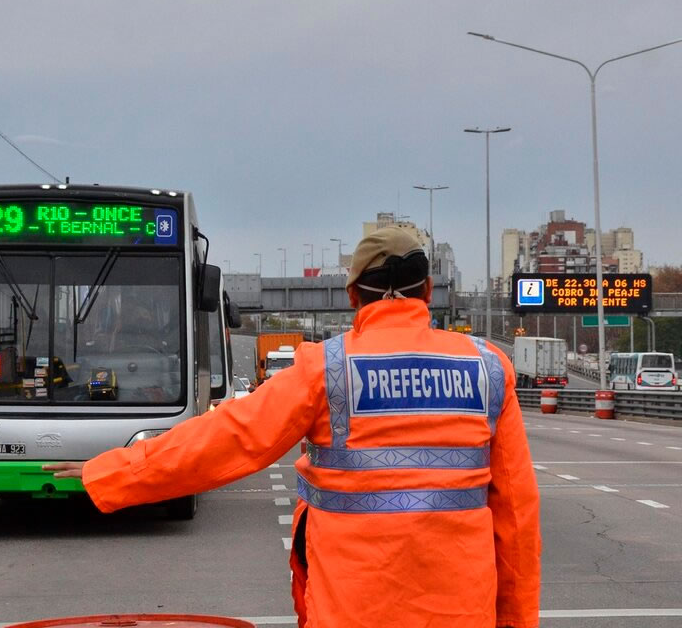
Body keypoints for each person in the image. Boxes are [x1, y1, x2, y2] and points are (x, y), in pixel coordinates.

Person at [45, 226, 541, 628]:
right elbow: (516, 514)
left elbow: (228, 439)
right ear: (429, 291)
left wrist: (112, 471)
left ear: (352, 295)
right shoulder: (490, 369)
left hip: (352, 610)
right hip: (461, 611)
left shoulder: (324, 368)